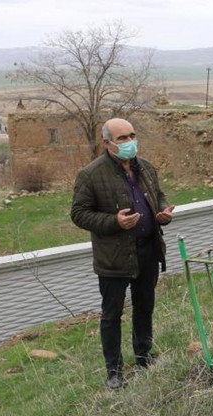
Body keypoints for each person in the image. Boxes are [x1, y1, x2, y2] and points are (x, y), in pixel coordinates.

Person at [71, 118, 175, 390]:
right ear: (107, 143)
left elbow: (158, 196)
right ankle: (114, 371)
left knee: (144, 308)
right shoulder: (91, 175)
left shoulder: (147, 168)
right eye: (122, 139)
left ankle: (143, 357)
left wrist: (162, 213)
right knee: (111, 314)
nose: (130, 142)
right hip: (113, 258)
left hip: (148, 252)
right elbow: (79, 214)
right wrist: (114, 222)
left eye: (132, 136)